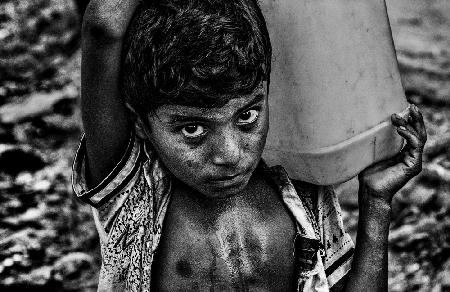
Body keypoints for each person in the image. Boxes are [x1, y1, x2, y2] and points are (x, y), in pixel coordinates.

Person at [72, 0, 427, 291]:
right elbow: (104, 26)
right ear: (141, 123)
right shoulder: (134, 193)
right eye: (192, 128)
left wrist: (376, 203)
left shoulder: (299, 188)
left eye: (247, 117)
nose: (229, 154)